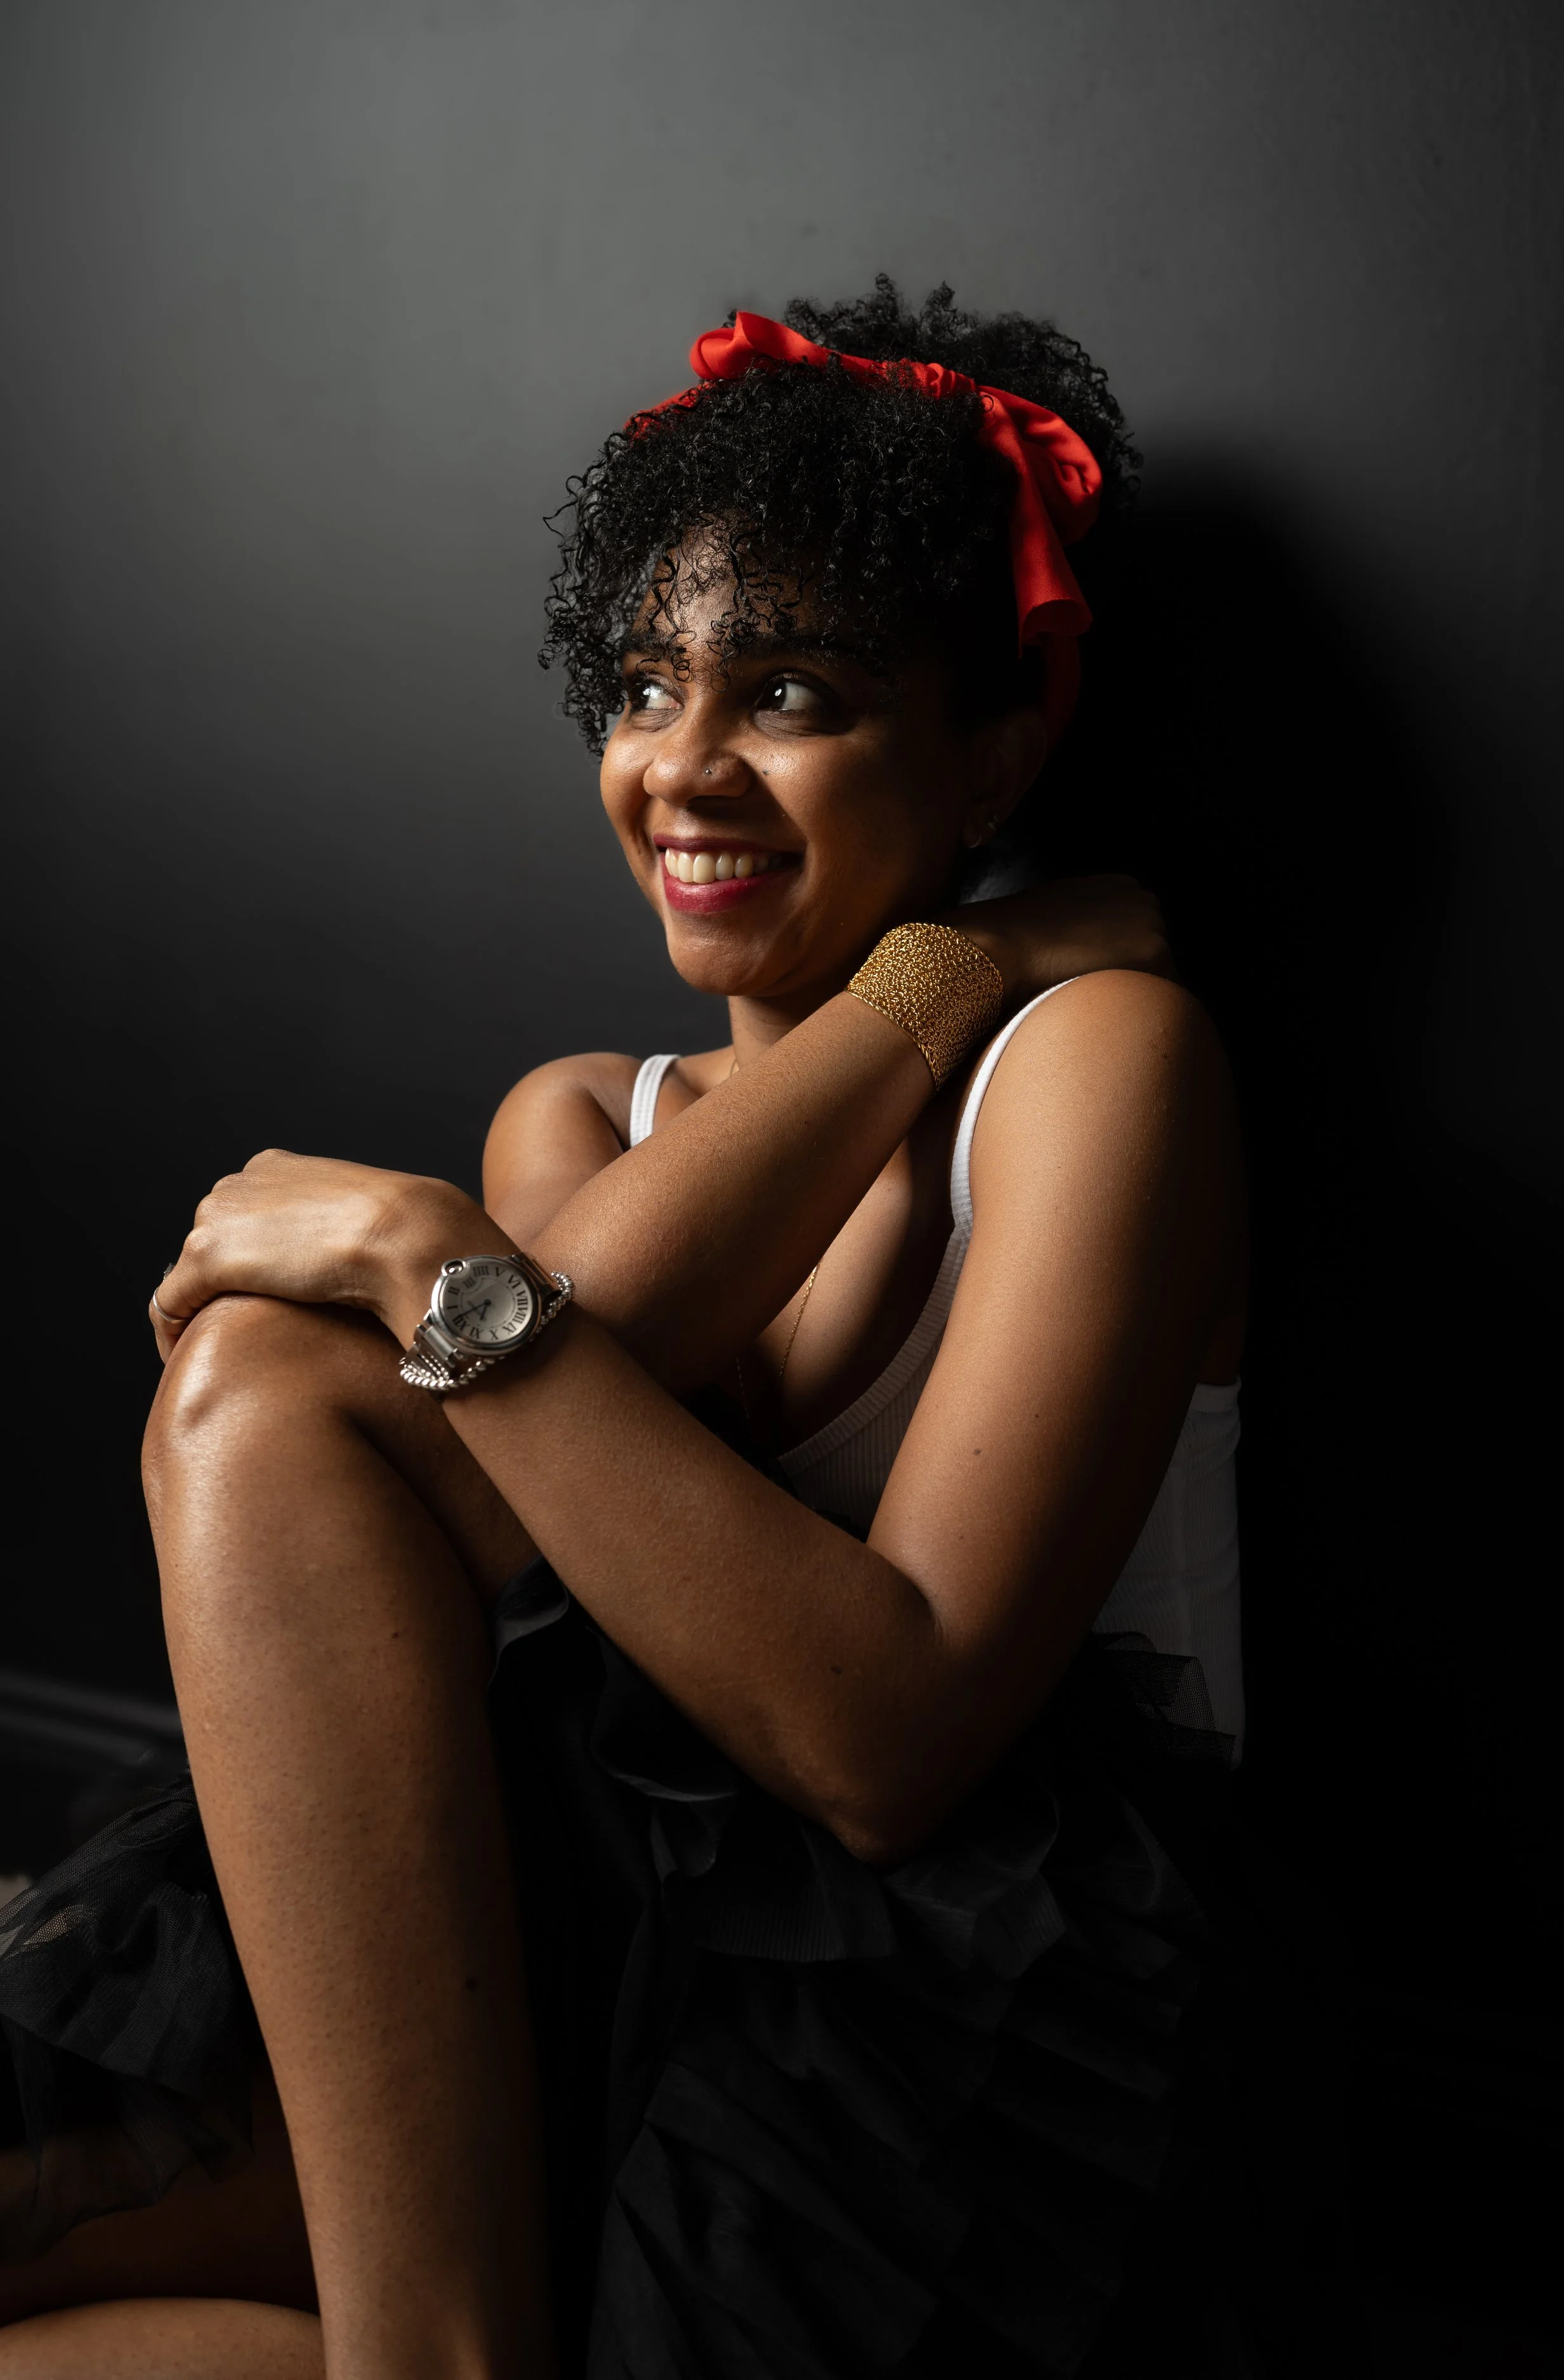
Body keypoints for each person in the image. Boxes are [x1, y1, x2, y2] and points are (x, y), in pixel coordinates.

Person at [0, 280, 1339, 2379]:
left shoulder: (1097, 1067)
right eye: (642, 685)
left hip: (943, 2040)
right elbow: (549, 1383)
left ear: (995, 751)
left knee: (261, 1379)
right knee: (264, 1386)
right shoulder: (578, 1118)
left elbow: (883, 1747)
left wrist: (952, 988)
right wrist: (942, 970)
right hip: (592, 1942)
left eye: (788, 690)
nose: (683, 765)